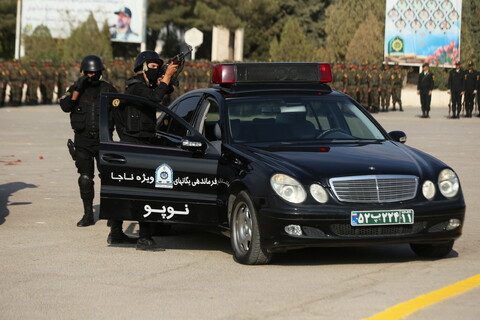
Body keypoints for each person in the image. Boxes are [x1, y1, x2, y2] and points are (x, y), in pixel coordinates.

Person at [59, 55, 135, 244]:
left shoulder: (108, 89)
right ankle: (87, 214)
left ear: (100, 72)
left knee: (109, 179)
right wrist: (77, 88)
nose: (92, 75)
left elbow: (119, 114)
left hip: (103, 141)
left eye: (95, 72)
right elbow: (66, 106)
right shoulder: (76, 89)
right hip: (83, 141)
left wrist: (124, 139)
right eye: (89, 72)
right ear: (83, 72)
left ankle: (111, 214)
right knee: (85, 178)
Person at [113, 50, 178, 251]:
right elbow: (155, 98)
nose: (156, 70)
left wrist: (169, 76)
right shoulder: (135, 87)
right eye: (152, 66)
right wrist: (165, 77)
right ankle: (144, 238)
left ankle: (115, 233)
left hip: (140, 142)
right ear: (142, 68)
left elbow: (165, 92)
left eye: (158, 66)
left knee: (128, 191)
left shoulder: (144, 86)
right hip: (134, 144)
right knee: (144, 191)